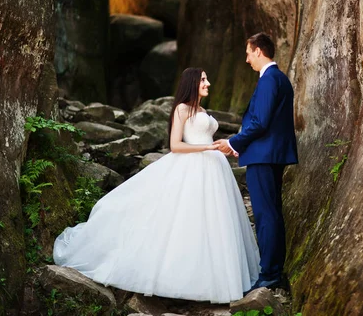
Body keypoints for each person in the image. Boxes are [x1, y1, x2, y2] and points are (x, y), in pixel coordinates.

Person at [54, 68, 260, 303]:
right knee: (181, 218)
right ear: (192, 83)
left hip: (215, 168)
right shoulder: (182, 109)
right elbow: (175, 145)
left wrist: (219, 148)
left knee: (214, 219)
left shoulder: (202, 110)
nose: (208, 83)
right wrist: (205, 148)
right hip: (193, 164)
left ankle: (215, 277)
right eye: (203, 79)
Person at [214, 32, 298, 292]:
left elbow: (260, 122)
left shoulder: (270, 80)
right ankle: (274, 271)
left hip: (265, 156)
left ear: (259, 51)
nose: (247, 59)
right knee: (271, 213)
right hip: (270, 153)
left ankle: (269, 275)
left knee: (265, 215)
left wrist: (235, 143)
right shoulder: (279, 79)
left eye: (249, 53)